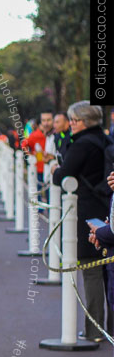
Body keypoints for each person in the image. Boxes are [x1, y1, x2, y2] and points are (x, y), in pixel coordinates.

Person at [52, 101, 112, 343]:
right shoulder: (106, 140)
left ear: (84, 122)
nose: (71, 125)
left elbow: (62, 175)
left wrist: (57, 167)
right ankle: (109, 328)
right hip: (107, 208)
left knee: (91, 269)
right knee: (107, 269)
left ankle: (94, 330)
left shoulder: (83, 144)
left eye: (74, 121)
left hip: (86, 211)